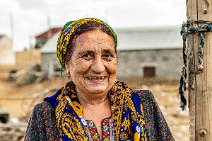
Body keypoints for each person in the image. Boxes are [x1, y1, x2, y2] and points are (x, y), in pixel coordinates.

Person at [25, 18, 174, 141]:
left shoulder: (144, 103)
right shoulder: (45, 114)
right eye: (87, 55)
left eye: (107, 55)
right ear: (67, 64)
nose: (99, 67)